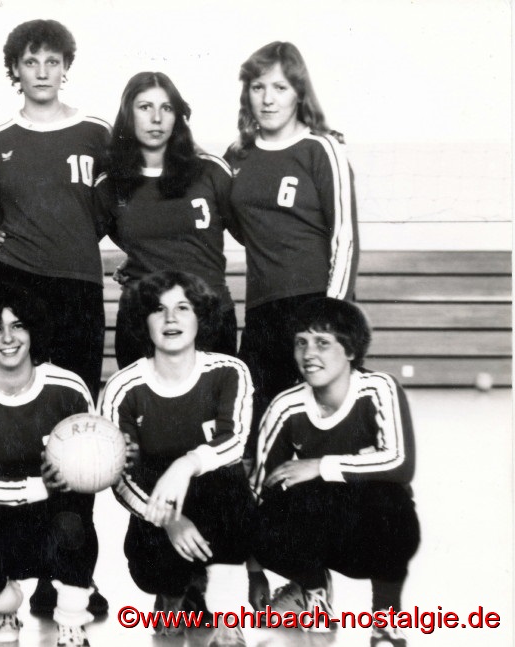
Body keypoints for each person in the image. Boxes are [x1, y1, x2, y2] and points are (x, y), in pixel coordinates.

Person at [249, 297, 419, 647]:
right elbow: (257, 493)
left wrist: (320, 466)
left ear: (351, 350)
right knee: (263, 518)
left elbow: (401, 463)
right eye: (301, 343)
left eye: (323, 343)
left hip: (366, 534)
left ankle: (386, 619)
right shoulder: (285, 406)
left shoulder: (378, 389)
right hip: (318, 531)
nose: (309, 353)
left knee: (393, 501)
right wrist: (255, 574)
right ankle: (313, 591)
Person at [99, 270, 255, 645]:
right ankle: (171, 595)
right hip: (158, 514)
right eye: (159, 309)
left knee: (231, 482)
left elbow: (234, 442)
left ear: (199, 318)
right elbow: (118, 475)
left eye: (182, 308)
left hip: (216, 503)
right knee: (157, 567)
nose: (171, 319)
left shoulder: (229, 372)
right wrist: (170, 520)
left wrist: (185, 466)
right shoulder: (123, 387)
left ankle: (227, 611)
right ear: (144, 322)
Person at [0, 282, 98, 647]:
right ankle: (3, 601)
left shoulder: (68, 387)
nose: (7, 338)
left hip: (49, 526)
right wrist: (41, 485)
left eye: (18, 325)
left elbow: (93, 465)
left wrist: (113, 460)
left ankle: (72, 619)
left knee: (75, 516)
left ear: (33, 330)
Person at [223, 41, 359, 455]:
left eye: (280, 88)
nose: (268, 99)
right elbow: (242, 228)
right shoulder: (237, 156)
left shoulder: (322, 149)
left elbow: (345, 238)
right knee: (259, 437)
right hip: (262, 312)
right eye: (258, 87)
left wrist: (330, 321)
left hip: (313, 308)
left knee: (322, 433)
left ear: (299, 92)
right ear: (247, 92)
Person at [0, 18, 110, 400]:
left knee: (77, 391)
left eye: (52, 62)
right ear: (15, 69)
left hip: (80, 281)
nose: (42, 72)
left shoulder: (95, 133)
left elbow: (112, 210)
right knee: (20, 392)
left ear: (65, 67)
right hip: (19, 281)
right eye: (31, 62)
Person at [98, 72, 241, 367]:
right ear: (127, 114)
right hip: (142, 321)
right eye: (145, 107)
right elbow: (83, 235)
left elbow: (251, 229)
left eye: (166, 108)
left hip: (209, 318)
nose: (156, 118)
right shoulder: (110, 184)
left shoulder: (211, 171)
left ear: (177, 116)